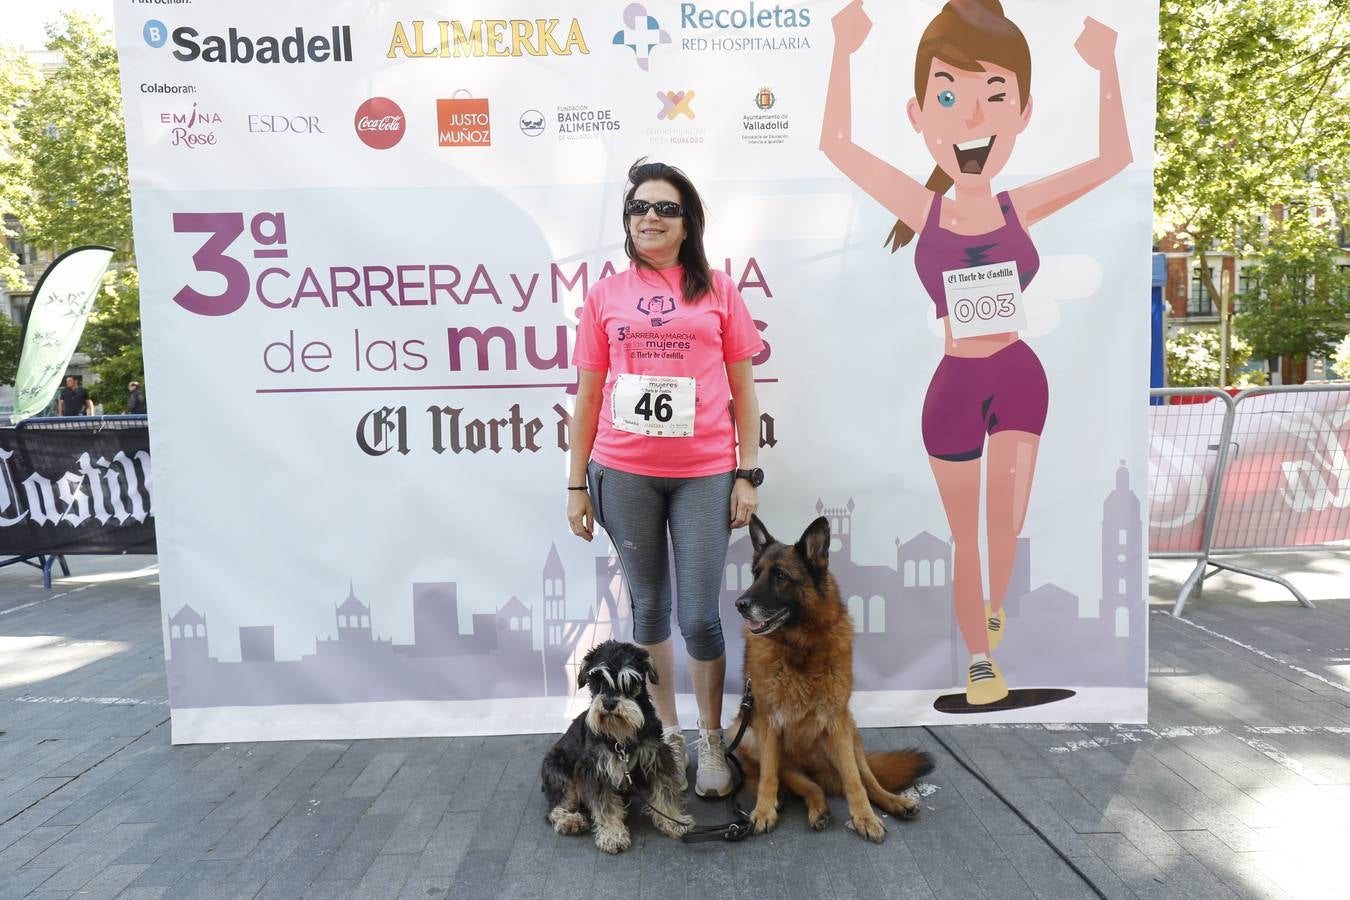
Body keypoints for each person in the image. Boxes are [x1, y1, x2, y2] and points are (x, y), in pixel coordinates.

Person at [821, 0, 1131, 704]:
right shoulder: (920, 207)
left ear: (1022, 113)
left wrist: (1109, 65)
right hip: (955, 387)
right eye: (950, 96)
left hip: (1018, 376)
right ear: (918, 114)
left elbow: (1114, 158)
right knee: (967, 535)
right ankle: (982, 662)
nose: (971, 119)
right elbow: (837, 146)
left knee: (1006, 525)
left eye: (995, 97)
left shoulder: (1022, 206)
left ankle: (990, 611)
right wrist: (843, 51)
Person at [567, 158, 765, 797]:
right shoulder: (605, 295)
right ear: (627, 223)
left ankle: (711, 740)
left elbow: (744, 392)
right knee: (648, 608)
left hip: (704, 473)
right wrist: (576, 485)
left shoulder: (719, 292)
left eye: (665, 208)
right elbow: (590, 399)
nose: (650, 216)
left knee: (700, 616)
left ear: (688, 222)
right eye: (639, 208)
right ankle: (666, 739)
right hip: (623, 472)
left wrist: (747, 472)